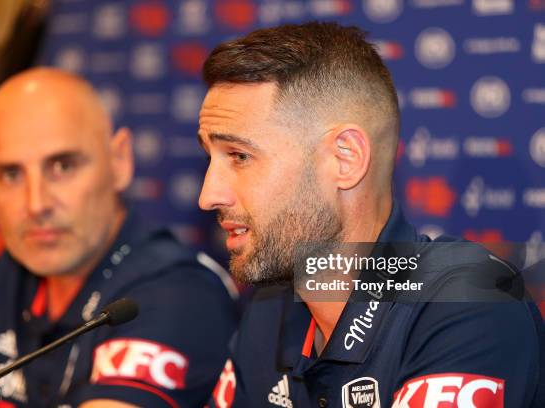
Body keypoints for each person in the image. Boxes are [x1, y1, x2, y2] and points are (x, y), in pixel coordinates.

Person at [197, 22, 544, 407]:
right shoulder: (268, 311)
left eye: (240, 156)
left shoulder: (470, 302)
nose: (209, 195)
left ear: (346, 159)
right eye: (209, 157)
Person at [0, 68, 238, 407]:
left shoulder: (179, 294)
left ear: (119, 161)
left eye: (63, 166)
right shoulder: (8, 272)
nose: (36, 204)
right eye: (10, 174)